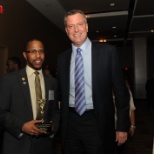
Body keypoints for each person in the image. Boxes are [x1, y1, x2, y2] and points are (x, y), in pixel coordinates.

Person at [57, 9, 130, 154]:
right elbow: (60, 93)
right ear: (66, 30)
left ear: (86, 26)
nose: (76, 30)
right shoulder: (62, 58)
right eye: (71, 26)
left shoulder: (107, 53)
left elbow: (121, 93)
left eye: (79, 24)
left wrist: (122, 126)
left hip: (98, 122)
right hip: (70, 123)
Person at [0, 39, 60, 154]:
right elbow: (1, 112)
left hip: (44, 146)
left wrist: (53, 127)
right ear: (25, 55)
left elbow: (55, 111)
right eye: (33, 51)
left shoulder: (52, 82)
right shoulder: (9, 80)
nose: (38, 55)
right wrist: (22, 126)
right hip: (17, 146)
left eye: (41, 51)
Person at [114, 79, 136, 154]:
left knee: (121, 149)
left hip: (122, 126)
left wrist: (132, 126)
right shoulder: (103, 91)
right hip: (107, 126)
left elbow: (131, 109)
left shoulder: (126, 92)